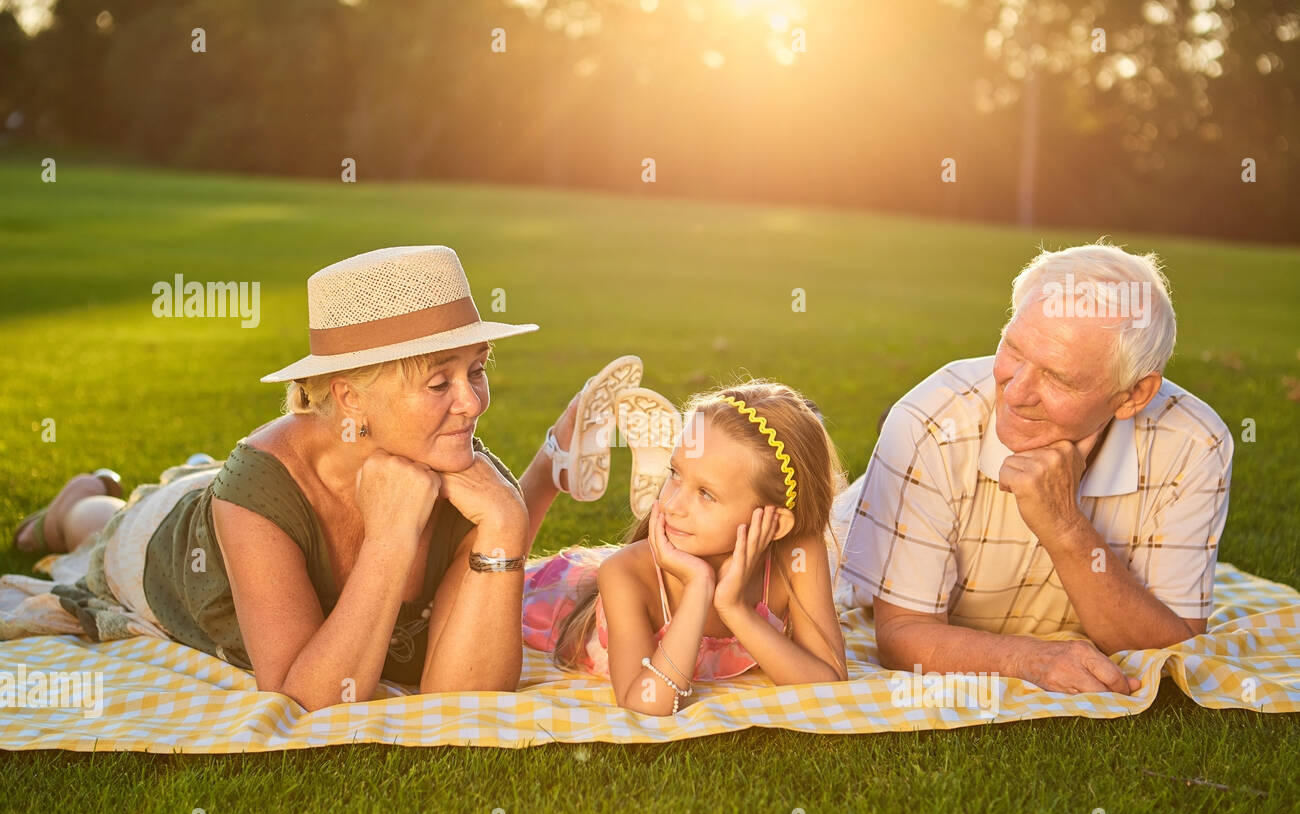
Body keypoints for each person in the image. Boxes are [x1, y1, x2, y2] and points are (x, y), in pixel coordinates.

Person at [9, 245, 610, 713]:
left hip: (260, 491)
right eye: (437, 382)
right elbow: (308, 699)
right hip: (165, 544)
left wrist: (508, 521)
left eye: (476, 370)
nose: (472, 404)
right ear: (350, 397)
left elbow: (464, 700)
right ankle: (72, 508)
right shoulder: (260, 492)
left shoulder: (468, 480)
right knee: (104, 532)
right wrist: (390, 539)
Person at [837, 240, 1234, 696]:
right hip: (851, 544)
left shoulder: (1195, 443)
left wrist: (1063, 526)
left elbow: (1171, 645)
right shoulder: (928, 420)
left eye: (1058, 377)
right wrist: (1029, 660)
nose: (1017, 391)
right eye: (1014, 350)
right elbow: (902, 634)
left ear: (1133, 396)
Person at [524, 381, 851, 717]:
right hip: (553, 600)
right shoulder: (625, 574)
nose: (672, 505)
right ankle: (555, 454)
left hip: (601, 578)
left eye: (706, 494)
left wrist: (733, 607)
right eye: (674, 473)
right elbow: (645, 704)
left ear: (775, 524)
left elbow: (827, 683)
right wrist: (698, 588)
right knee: (494, 576)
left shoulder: (795, 552)